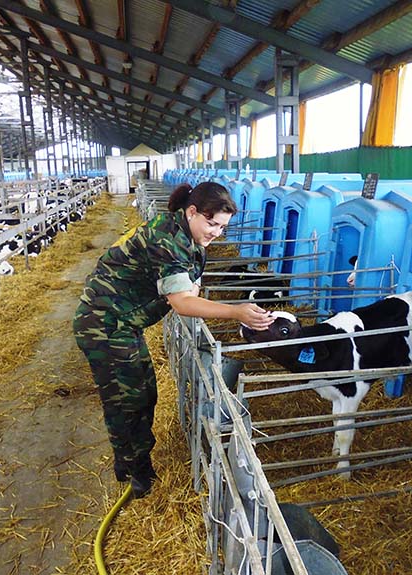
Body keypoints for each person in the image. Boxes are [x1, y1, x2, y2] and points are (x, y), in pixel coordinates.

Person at [73, 181, 275, 498]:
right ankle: (136, 470)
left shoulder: (184, 234)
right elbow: (183, 302)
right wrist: (236, 312)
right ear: (192, 212)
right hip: (105, 323)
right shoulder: (168, 241)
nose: (216, 233)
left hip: (122, 322)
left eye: (222, 227)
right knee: (128, 399)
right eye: (211, 223)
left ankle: (127, 460)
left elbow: (188, 289)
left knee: (141, 394)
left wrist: (189, 292)